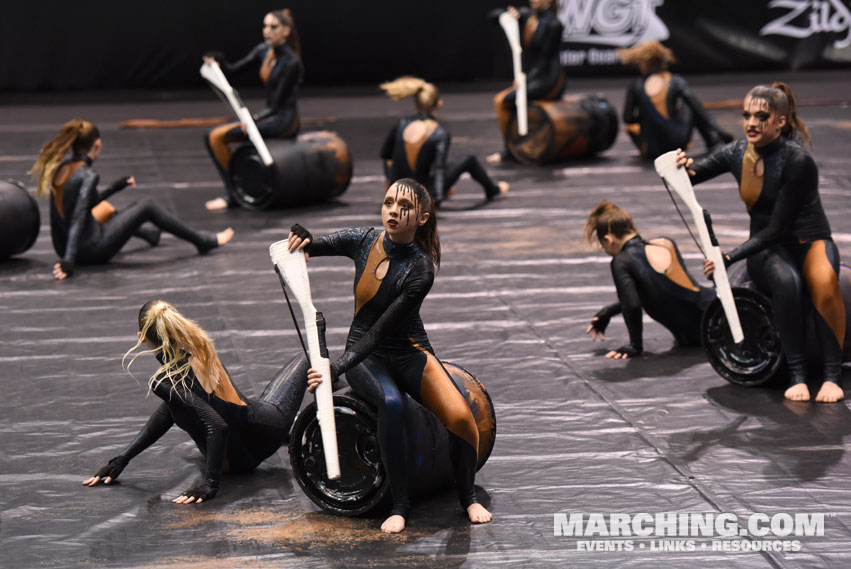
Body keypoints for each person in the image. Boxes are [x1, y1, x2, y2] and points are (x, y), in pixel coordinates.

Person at [287, 178, 492, 533]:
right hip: (366, 357)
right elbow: (312, 246)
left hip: (409, 351)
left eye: (405, 207)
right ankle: (399, 505)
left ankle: (468, 497)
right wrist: (301, 236)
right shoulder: (363, 240)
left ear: (423, 218)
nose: (393, 211)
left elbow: (384, 328)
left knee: (462, 418)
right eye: (388, 203)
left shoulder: (421, 268)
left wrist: (334, 367)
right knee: (392, 404)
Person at [676, 82, 845, 403]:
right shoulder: (736, 152)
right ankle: (796, 374)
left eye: (761, 116)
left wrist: (729, 257)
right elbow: (692, 176)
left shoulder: (798, 161)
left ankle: (831, 376)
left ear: (780, 121)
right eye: (746, 115)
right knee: (787, 282)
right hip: (768, 249)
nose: (751, 123)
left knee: (824, 282)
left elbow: (779, 227)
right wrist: (680, 166)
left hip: (809, 240)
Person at [83, 300, 321, 504]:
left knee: (189, 406)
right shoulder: (201, 348)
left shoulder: (165, 381)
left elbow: (210, 423)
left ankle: (303, 426)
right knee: (308, 359)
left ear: (142, 337)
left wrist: (210, 484)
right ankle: (332, 409)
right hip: (266, 433)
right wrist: (122, 458)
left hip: (234, 463)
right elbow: (188, 415)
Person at [29, 120, 233, 281]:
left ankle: (150, 234)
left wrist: (115, 187)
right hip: (89, 252)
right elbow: (79, 215)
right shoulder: (88, 176)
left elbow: (85, 206)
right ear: (97, 144)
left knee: (107, 209)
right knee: (147, 206)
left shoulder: (62, 168)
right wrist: (69, 260)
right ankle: (203, 241)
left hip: (62, 244)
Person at [584, 200, 715, 359]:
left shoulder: (622, 261)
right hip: (716, 309)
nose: (606, 251)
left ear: (608, 240)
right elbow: (659, 292)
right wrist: (608, 312)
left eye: (603, 246)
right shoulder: (665, 243)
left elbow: (632, 304)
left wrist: (635, 346)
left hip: (703, 335)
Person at [203, 9, 303, 211]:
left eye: (273, 27)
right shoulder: (262, 51)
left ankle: (232, 195)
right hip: (268, 115)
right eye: (265, 26)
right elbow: (232, 71)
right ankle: (235, 190)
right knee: (212, 137)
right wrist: (218, 59)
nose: (267, 31)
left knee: (216, 137)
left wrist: (253, 120)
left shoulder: (292, 62)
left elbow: (276, 106)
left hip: (284, 120)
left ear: (285, 31)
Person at [379, 76, 509, 206]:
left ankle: (396, 189)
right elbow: (439, 168)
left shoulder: (401, 124)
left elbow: (385, 155)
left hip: (398, 191)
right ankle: (493, 190)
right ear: (439, 104)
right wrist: (438, 195)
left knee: (437, 166)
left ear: (415, 104)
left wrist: (390, 183)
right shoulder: (439, 132)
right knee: (469, 160)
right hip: (421, 192)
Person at [617, 41, 732, 159]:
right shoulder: (675, 81)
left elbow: (628, 118)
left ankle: (646, 145)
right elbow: (698, 109)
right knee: (689, 105)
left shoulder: (636, 85)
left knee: (632, 126)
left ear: (644, 63)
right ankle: (711, 140)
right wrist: (721, 132)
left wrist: (644, 117)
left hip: (651, 149)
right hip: (676, 145)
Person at [487, 0, 566, 164]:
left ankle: (510, 151)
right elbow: (492, 17)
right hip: (534, 77)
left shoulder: (554, 24)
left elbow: (544, 61)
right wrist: (507, 16)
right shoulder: (529, 16)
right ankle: (512, 147)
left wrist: (524, 80)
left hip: (550, 79)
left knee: (504, 100)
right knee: (501, 100)